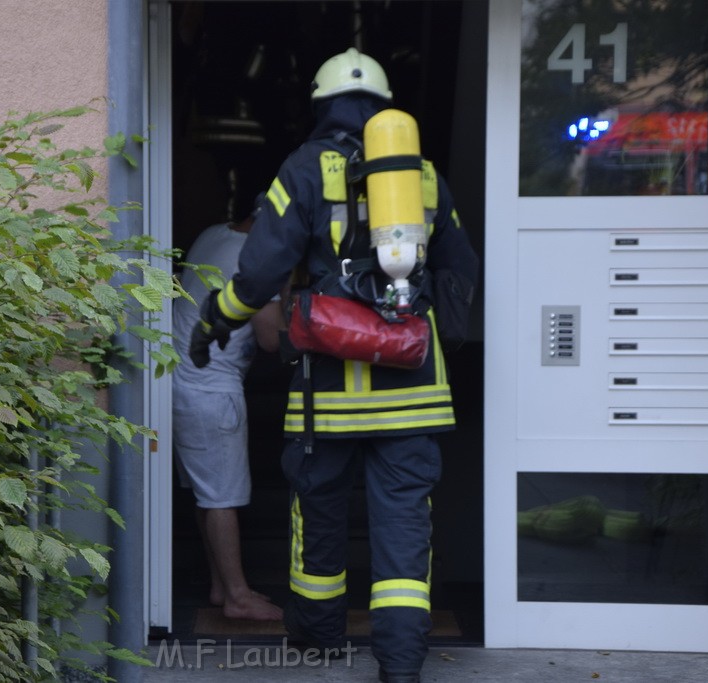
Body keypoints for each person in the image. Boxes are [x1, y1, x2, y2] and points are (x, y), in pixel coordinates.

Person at [188, 49, 479, 682]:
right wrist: (442, 333)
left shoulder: (302, 170)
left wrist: (217, 319)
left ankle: (318, 646)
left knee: (318, 520)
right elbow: (461, 267)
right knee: (404, 530)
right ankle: (401, 667)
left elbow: (260, 271)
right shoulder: (423, 175)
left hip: (327, 395)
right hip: (414, 393)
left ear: (320, 106)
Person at [172, 204, 284, 622]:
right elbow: (271, 338)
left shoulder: (213, 231)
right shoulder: (259, 257)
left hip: (182, 381)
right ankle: (238, 596)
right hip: (211, 390)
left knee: (208, 493)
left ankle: (222, 586)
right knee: (222, 498)